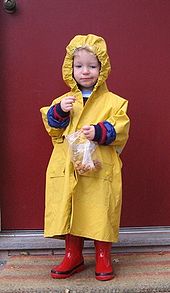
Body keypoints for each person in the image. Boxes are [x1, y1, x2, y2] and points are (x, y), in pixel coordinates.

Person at [40, 34, 130, 281]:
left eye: (92, 66)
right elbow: (53, 129)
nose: (85, 71)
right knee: (72, 207)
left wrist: (100, 131)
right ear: (70, 69)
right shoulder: (63, 101)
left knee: (101, 208)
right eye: (79, 66)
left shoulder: (114, 102)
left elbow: (121, 128)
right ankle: (73, 254)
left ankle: (103, 255)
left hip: (100, 167)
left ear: (102, 68)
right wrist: (59, 112)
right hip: (70, 165)